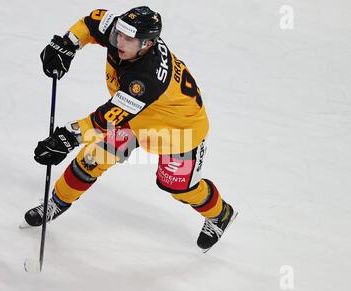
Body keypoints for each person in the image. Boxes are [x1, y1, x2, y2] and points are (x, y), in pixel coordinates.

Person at [24, 6, 237, 252]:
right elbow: (92, 22)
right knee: (93, 158)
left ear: (147, 44)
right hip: (136, 118)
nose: (118, 42)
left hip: (178, 130)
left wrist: (67, 137)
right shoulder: (121, 34)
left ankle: (221, 214)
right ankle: (56, 203)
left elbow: (105, 120)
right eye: (118, 35)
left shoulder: (146, 79)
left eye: (128, 39)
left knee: (176, 186)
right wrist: (67, 44)